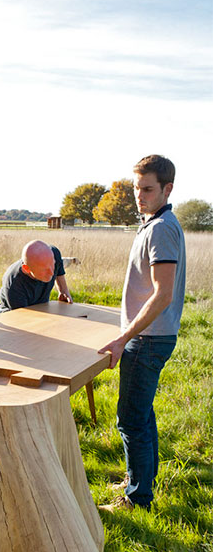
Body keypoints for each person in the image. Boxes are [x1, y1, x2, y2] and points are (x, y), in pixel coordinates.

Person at [98, 154, 186, 511]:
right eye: (136, 188)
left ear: (167, 188)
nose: (139, 195)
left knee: (131, 420)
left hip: (147, 339)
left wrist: (123, 338)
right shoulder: (155, 223)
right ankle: (142, 481)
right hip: (150, 336)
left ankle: (137, 499)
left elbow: (162, 293)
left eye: (147, 189)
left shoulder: (162, 228)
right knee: (143, 415)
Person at [0, 239, 73, 313]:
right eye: (44, 269)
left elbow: (59, 268)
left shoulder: (54, 253)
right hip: (13, 314)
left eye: (52, 264)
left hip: (41, 305)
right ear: (27, 269)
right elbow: (23, 318)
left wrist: (63, 290)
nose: (51, 273)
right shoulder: (14, 284)